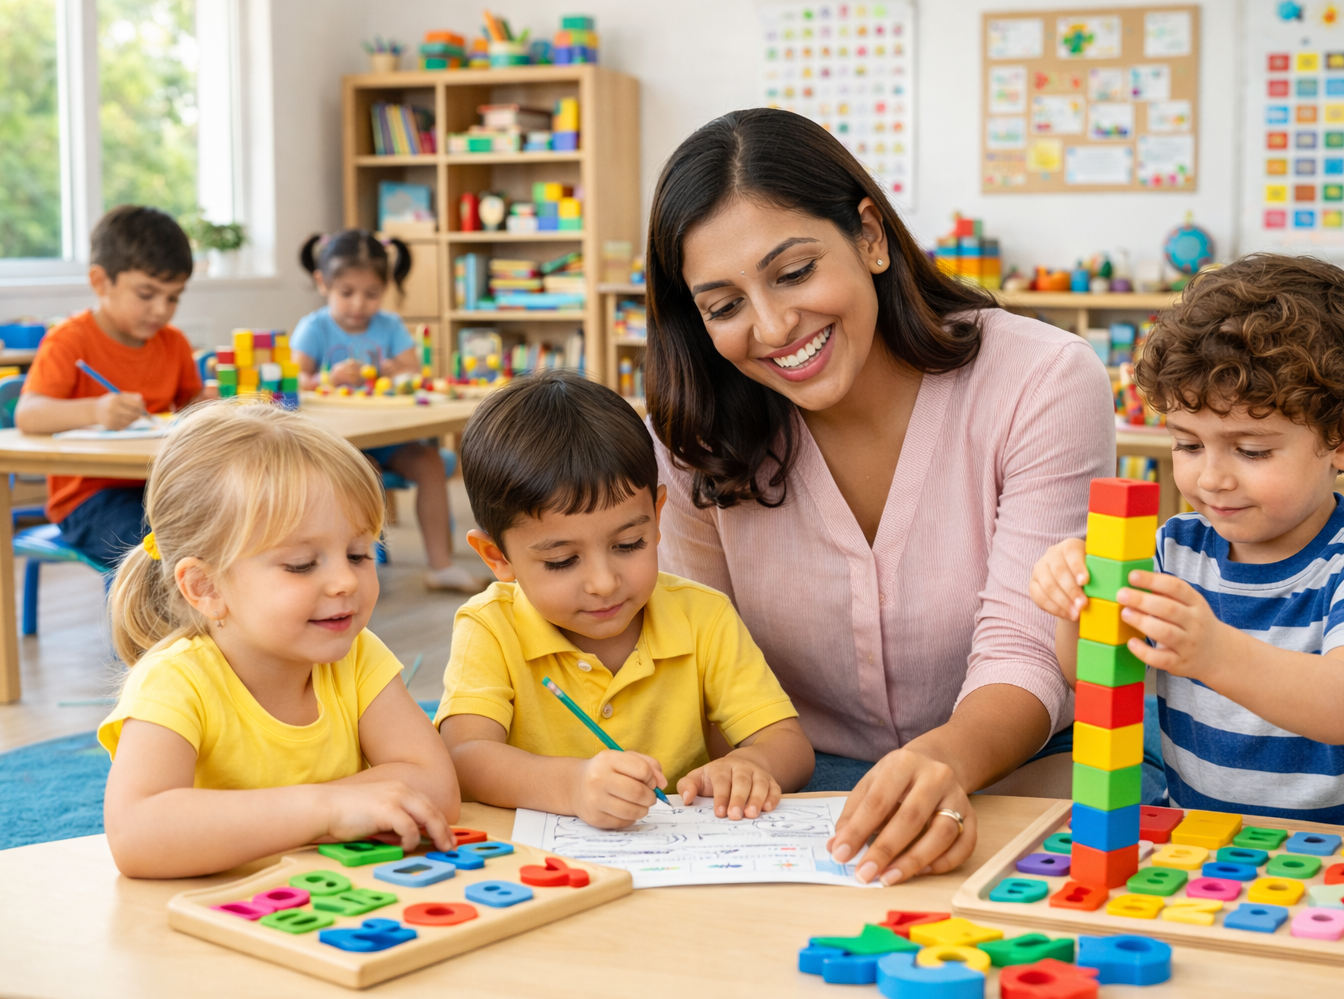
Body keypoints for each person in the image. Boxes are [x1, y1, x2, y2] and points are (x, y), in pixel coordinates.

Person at [643, 108, 1115, 886]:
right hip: (788, 796)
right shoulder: (689, 431)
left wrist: (945, 761)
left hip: (1020, 766)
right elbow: (698, 655)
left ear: (869, 235)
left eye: (793, 272)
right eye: (723, 306)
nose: (772, 326)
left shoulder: (1042, 380)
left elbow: (1026, 646)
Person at [1030, 255, 1344, 838]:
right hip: (1217, 846)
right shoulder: (1172, 552)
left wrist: (1213, 651)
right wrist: (1076, 604)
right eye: (1188, 445)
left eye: (1252, 451)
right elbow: (1091, 679)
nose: (1212, 478)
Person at [98, 401, 461, 878]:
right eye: (301, 564)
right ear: (205, 588)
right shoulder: (174, 682)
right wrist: (325, 810)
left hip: (341, 912)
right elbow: (136, 835)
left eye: (358, 554)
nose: (345, 582)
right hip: (215, 918)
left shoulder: (357, 656)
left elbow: (436, 785)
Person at [437, 372, 814, 828]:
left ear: (657, 518)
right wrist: (573, 786)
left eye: (629, 544)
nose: (603, 583)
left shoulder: (704, 616)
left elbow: (788, 743)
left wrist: (755, 766)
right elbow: (463, 756)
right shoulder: (489, 626)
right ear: (497, 557)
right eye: (561, 561)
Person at [14, 205, 216, 569]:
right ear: (100, 282)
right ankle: (142, 627)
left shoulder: (174, 343)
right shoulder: (69, 341)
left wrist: (211, 401)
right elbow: (28, 414)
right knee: (151, 555)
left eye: (173, 297)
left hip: (158, 487)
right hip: (89, 498)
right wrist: (95, 410)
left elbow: (189, 409)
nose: (161, 309)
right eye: (146, 293)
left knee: (223, 533)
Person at [291, 230, 484, 593]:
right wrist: (323, 377)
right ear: (323, 283)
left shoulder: (390, 325)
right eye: (346, 293)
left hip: (389, 435)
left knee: (429, 462)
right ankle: (354, 570)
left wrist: (400, 371)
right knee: (365, 472)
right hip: (339, 443)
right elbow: (295, 378)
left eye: (372, 294)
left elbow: (413, 371)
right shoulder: (314, 328)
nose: (358, 304)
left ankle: (440, 565)